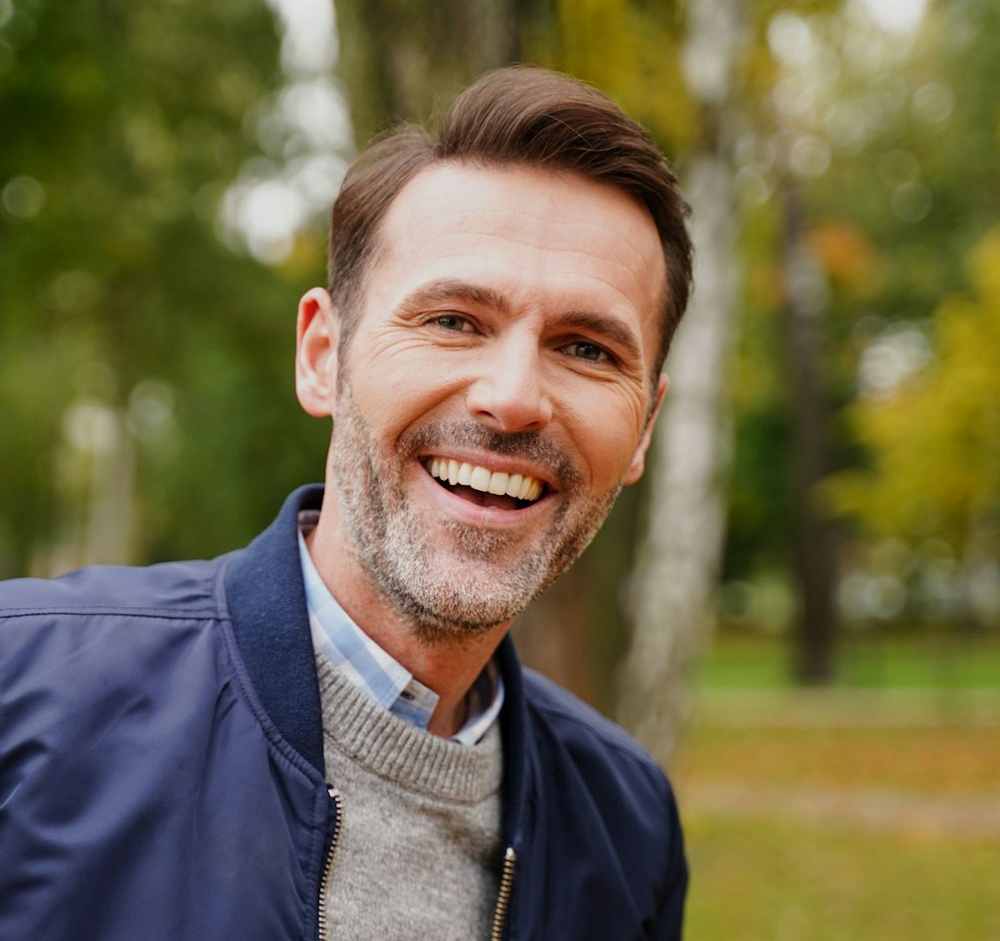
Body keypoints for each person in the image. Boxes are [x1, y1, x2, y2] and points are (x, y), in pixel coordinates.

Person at [0, 66, 693, 940]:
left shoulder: (629, 828)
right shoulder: (22, 697)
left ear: (644, 427)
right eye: (453, 320)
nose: (513, 397)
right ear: (322, 356)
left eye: (588, 348)